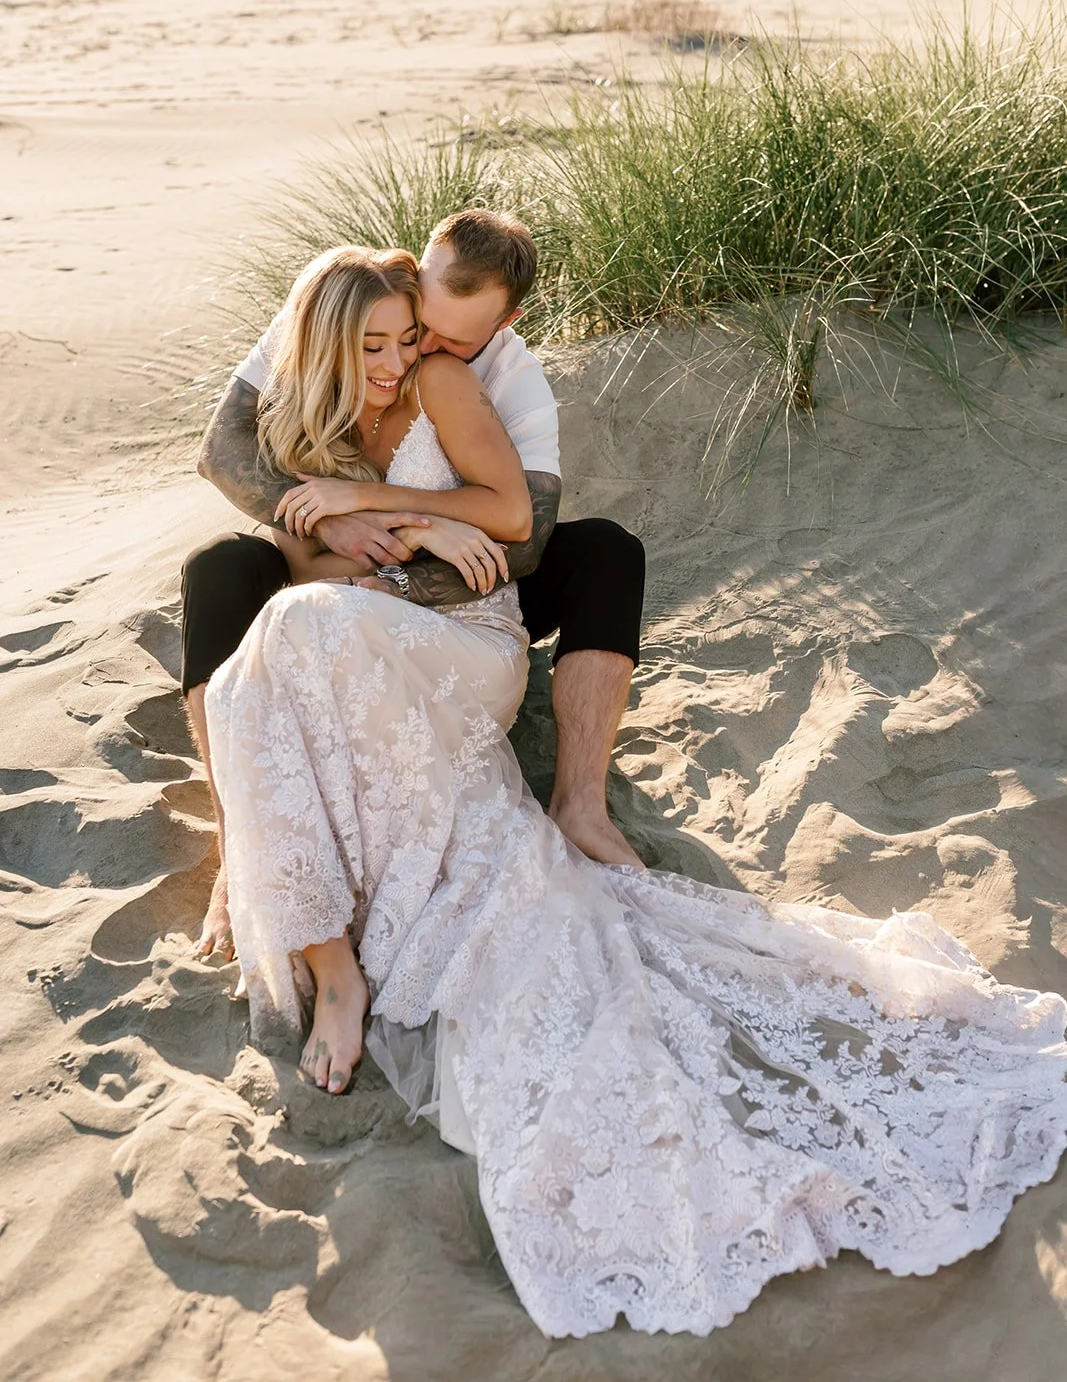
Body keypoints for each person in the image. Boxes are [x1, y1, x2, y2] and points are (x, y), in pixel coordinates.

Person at [204, 241, 1067, 1341]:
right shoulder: (301, 418)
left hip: (465, 645)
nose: (396, 360)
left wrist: (398, 513)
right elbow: (300, 555)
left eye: (405, 339)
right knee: (259, 665)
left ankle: (388, 922)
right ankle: (330, 960)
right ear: (329, 344)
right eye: (374, 345)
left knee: (292, 634)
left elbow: (512, 515)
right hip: (363, 635)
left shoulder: (444, 382)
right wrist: (342, 527)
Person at [182, 209, 646, 960]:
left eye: (441, 339)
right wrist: (337, 521)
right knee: (220, 569)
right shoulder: (349, 307)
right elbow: (221, 452)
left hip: (474, 582)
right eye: (413, 323)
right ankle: (238, 843)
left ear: (503, 324)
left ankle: (581, 804)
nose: (414, 350)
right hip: (339, 574)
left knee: (606, 552)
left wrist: (390, 523)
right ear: (415, 269)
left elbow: (522, 533)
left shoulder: (503, 378)